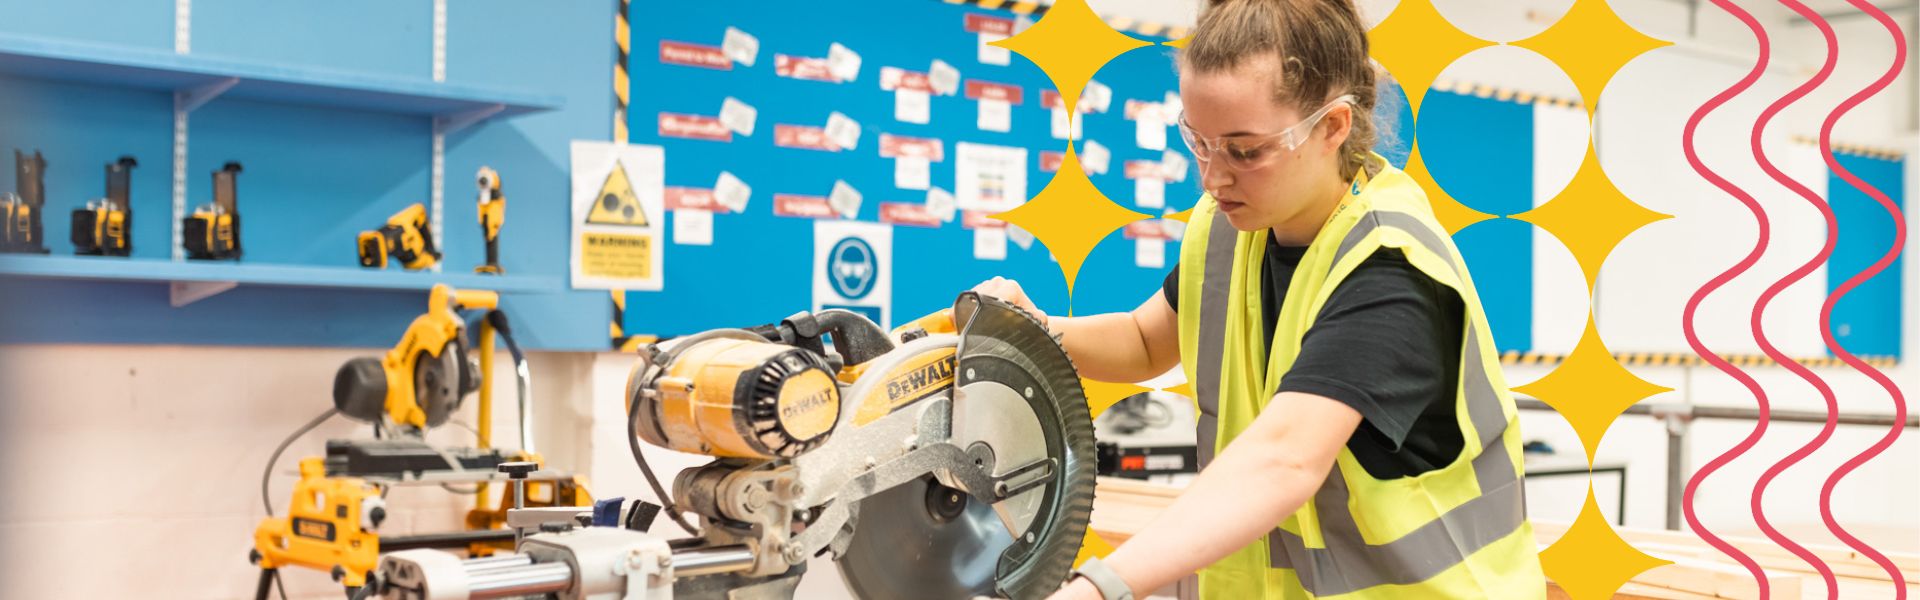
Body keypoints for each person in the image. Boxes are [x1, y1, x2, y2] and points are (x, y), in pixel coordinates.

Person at [973, 0, 1548, 597]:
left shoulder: (1389, 270)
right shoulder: (1229, 230)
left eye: (1245, 151)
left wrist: (1099, 587)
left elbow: (1285, 459)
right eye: (1199, 141)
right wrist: (1030, 328)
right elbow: (1146, 340)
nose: (1213, 177)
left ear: (1332, 127)